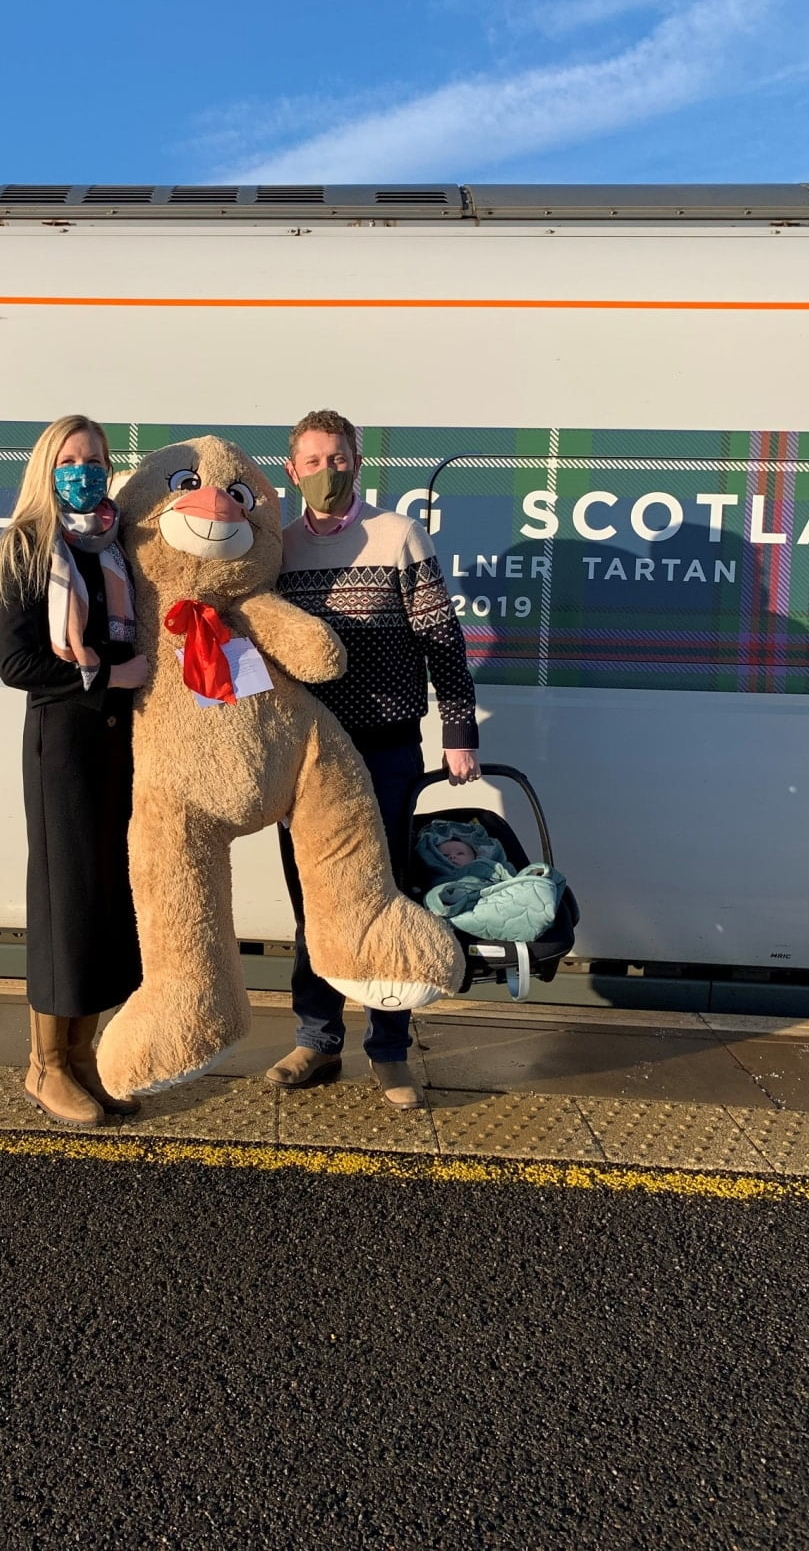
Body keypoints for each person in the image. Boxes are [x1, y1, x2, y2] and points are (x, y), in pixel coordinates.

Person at [267, 408, 481, 1109]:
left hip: (386, 747)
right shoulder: (277, 548)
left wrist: (459, 731)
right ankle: (315, 1037)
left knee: (384, 895)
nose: (327, 471)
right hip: (305, 756)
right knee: (312, 902)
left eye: (339, 458)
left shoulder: (398, 537)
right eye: (313, 460)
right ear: (291, 469)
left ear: (356, 464)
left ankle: (389, 1048)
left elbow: (441, 640)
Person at [0, 416, 149, 1127]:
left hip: (119, 747)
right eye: (70, 458)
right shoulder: (28, 544)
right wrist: (113, 675)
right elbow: (16, 663)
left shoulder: (114, 545)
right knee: (65, 901)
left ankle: (84, 1059)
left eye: (95, 459)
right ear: (46, 467)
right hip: (64, 745)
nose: (84, 468)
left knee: (107, 900)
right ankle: (45, 1066)